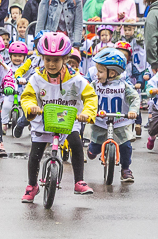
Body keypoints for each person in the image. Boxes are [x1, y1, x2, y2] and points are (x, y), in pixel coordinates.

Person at [15, 32, 97, 201]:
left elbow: (90, 96)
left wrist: (87, 113)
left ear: (65, 59)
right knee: (35, 152)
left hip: (67, 119)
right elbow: (27, 96)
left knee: (76, 143)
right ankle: (32, 185)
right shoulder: (37, 78)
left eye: (56, 60)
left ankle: (79, 181)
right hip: (43, 119)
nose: (51, 64)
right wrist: (31, 107)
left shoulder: (76, 79)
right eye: (47, 59)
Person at [88, 48, 141, 183]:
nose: (97, 75)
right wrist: (88, 110)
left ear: (112, 72)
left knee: (125, 145)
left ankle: (125, 169)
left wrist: (133, 111)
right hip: (100, 121)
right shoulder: (95, 85)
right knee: (95, 146)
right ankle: (93, 150)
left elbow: (135, 98)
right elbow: (87, 96)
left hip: (120, 121)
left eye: (100, 71)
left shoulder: (123, 85)